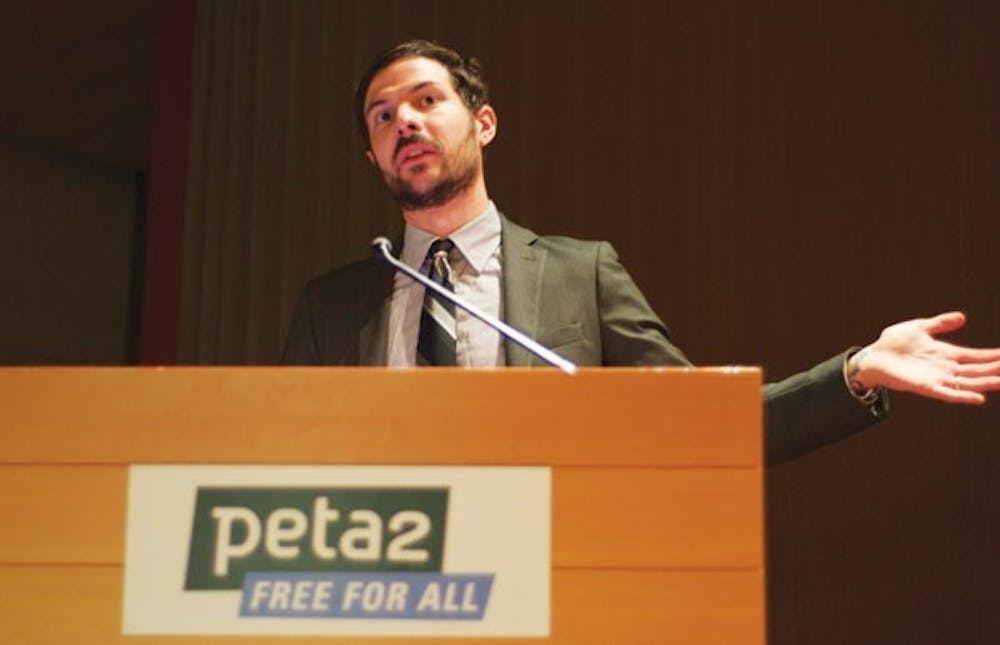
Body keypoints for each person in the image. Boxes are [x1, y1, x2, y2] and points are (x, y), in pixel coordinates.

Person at [282, 40, 1000, 463]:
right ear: (374, 157)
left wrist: (855, 371)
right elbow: (278, 464)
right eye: (383, 116)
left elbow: (703, 426)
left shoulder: (578, 274)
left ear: (485, 123)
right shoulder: (331, 308)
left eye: (426, 100)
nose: (404, 120)